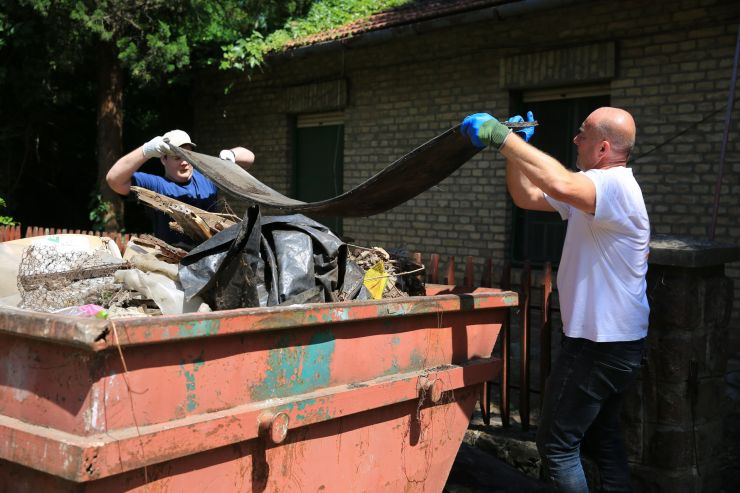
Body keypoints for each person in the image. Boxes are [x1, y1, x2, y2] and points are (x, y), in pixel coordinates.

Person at [461, 108, 649, 492]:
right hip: (617, 344)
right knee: (602, 438)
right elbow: (527, 196)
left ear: (603, 147)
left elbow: (561, 183)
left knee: (556, 446)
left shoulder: (613, 187)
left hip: (598, 345)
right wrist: (513, 152)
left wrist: (501, 136)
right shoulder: (596, 190)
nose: (574, 140)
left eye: (582, 134)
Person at [106, 129, 255, 248]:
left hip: (212, 259)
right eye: (177, 157)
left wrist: (231, 154)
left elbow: (249, 159)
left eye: (187, 156)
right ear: (164, 159)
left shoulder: (207, 178)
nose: (184, 162)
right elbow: (114, 180)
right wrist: (145, 151)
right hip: (173, 262)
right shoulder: (155, 185)